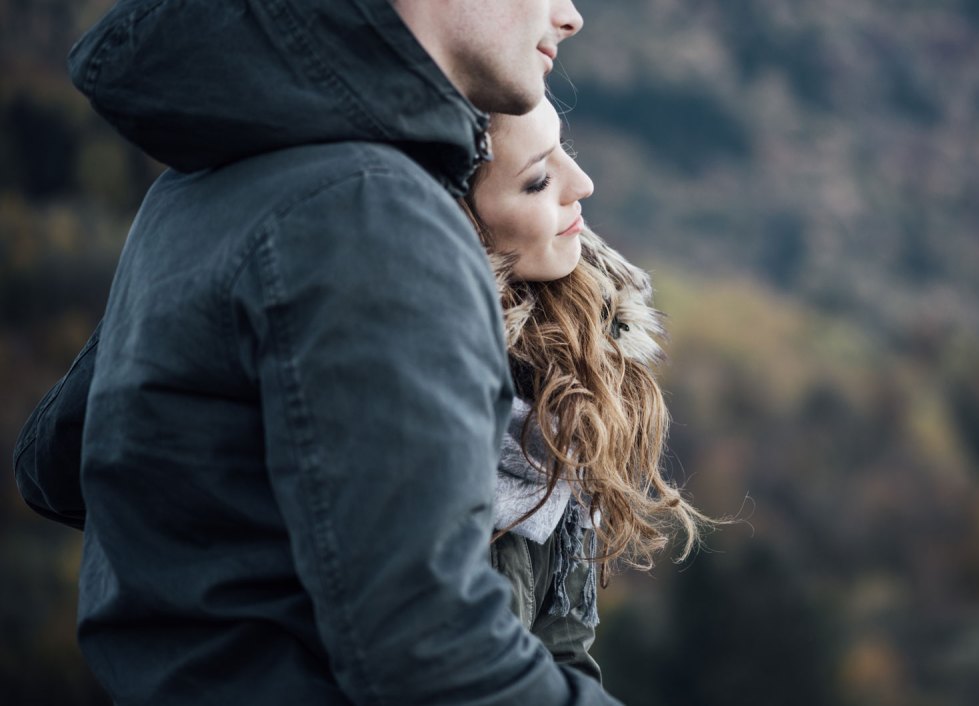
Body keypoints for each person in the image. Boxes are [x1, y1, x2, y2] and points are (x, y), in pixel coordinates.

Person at [11, 0, 627, 704]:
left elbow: (60, 459)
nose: (569, 15)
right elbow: (433, 656)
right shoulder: (367, 213)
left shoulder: (205, 184)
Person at [460, 98, 711, 679]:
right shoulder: (427, 429)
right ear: (460, 224)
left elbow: (565, 661)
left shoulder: (564, 392)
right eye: (539, 180)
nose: (583, 184)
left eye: (563, 151)